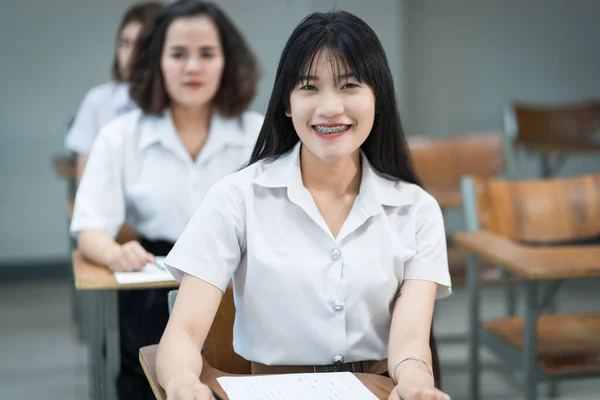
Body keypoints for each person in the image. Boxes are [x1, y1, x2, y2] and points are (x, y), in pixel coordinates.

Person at [157, 9, 452, 400]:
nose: (330, 107)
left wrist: (415, 383)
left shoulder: (417, 209)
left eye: (349, 85)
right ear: (287, 103)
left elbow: (411, 341)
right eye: (309, 87)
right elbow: (183, 332)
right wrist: (182, 385)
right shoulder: (237, 197)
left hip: (377, 390)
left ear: (377, 98)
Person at [69, 0, 261, 398]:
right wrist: (112, 253)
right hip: (155, 277)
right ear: (156, 61)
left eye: (206, 53)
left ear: (228, 61)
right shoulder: (120, 136)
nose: (192, 67)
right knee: (148, 366)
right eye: (178, 54)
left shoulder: (258, 133)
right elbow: (90, 227)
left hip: (242, 281)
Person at [65, 2, 163, 183]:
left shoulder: (181, 104)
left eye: (142, 45)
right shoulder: (98, 101)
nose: (131, 55)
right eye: (125, 43)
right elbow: (86, 186)